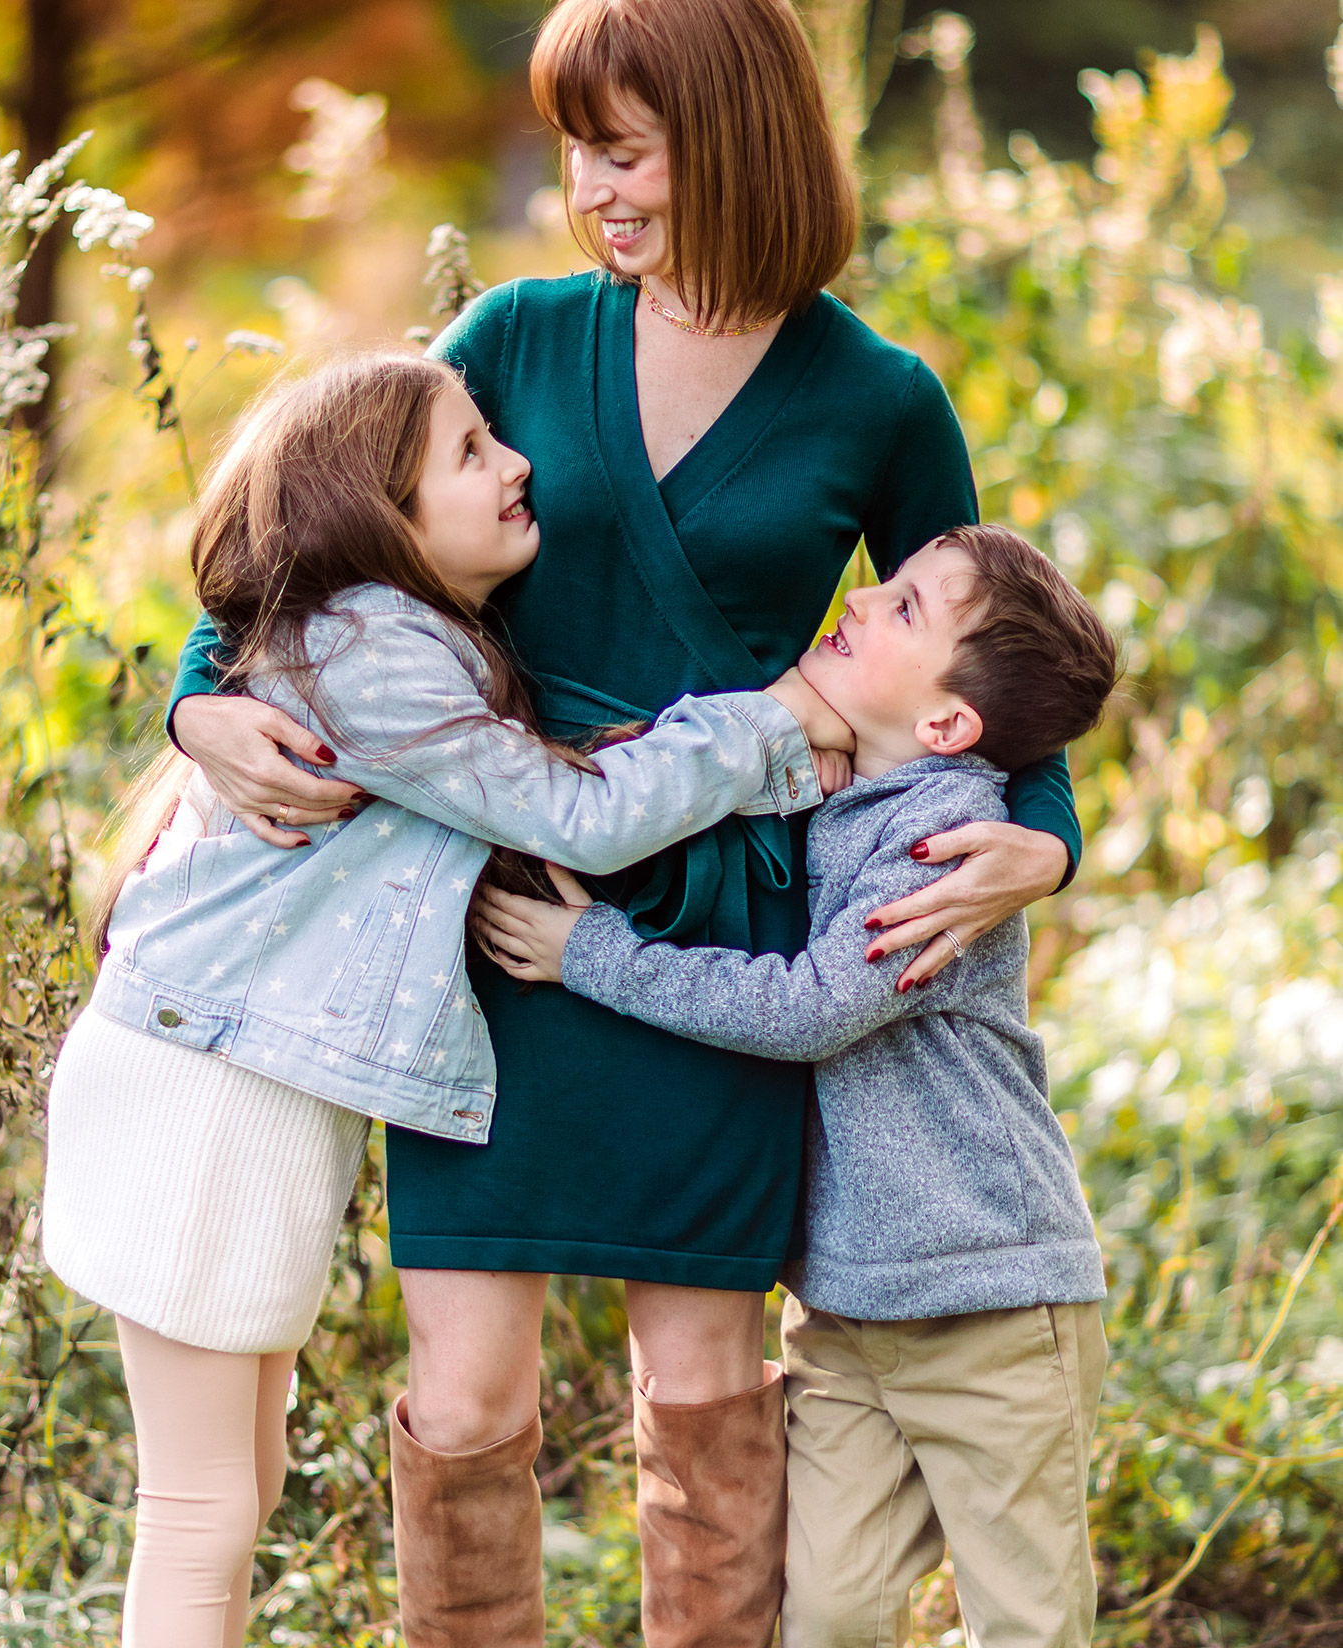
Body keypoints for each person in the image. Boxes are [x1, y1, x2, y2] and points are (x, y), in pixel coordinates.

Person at [164, 0, 1085, 1646]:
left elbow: (1003, 674)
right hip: (494, 909)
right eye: (579, 144)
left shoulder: (880, 398)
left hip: (723, 943)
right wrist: (194, 702)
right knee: (465, 1392)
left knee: (707, 1380)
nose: (590, 185)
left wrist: (1037, 846)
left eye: (626, 144)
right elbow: (312, 535)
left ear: (734, 131)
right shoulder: (517, 330)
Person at [42, 350, 846, 1648]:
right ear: (382, 517)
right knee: (199, 1508)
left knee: (231, 1495)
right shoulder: (371, 655)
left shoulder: (412, 648)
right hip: (199, 1100)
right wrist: (773, 729)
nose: (516, 461)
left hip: (243, 1095)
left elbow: (532, 777)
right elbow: (573, 819)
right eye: (471, 454)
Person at [477, 524, 1119, 1648]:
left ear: (946, 727)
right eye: (885, 582)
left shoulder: (944, 842)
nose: (862, 599)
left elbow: (811, 1006)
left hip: (991, 1302)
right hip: (848, 1310)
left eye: (907, 608)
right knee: (828, 1611)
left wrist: (593, 953)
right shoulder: (847, 799)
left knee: (1026, 1616)